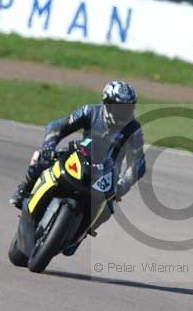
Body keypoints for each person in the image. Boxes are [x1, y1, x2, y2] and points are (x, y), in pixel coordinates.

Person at [9, 80, 146, 243]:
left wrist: (122, 186)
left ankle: (83, 233)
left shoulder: (133, 129)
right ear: (107, 103)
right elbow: (58, 126)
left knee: (108, 208)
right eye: (119, 107)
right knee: (39, 158)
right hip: (80, 157)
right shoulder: (90, 111)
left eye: (128, 108)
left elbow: (138, 163)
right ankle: (24, 190)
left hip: (107, 173)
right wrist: (49, 146)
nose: (124, 112)